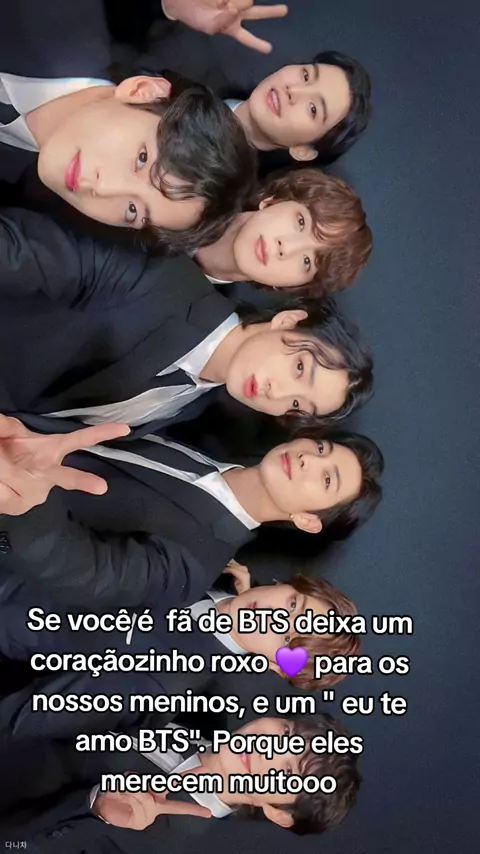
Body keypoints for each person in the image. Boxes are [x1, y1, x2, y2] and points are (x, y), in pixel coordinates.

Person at [0, 209, 373, 429]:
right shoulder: (162, 278)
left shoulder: (189, 405)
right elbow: (23, 250)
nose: (277, 393)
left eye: (296, 406)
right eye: (299, 368)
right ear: (287, 321)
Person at [0, 420, 384, 601]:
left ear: (307, 520)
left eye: (326, 479)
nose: (308, 461)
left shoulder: (194, 566)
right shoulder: (204, 451)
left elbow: (79, 570)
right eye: (321, 449)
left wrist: (26, 495)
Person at [0, 714, 361, 848]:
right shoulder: (203, 708)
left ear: (280, 813)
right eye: (286, 733)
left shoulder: (162, 840)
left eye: (287, 772)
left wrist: (94, 810)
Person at [0, 65, 256, 249]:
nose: (103, 188)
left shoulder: (25, 210)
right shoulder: (40, 19)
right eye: (142, 160)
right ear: (142, 91)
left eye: (133, 210)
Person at [195, 167, 372, 295]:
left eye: (307, 262)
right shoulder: (196, 178)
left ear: (287, 287)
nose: (286, 247)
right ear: (273, 200)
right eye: (301, 222)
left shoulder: (207, 322)